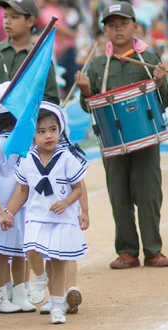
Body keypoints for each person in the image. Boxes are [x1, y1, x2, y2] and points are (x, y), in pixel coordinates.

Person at [76, 1, 168, 269]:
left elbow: (163, 101)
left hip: (146, 139)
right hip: (112, 144)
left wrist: (161, 82)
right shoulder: (96, 66)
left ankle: (153, 250)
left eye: (124, 24)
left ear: (135, 26)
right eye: (112, 25)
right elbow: (89, 106)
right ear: (105, 30)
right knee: (119, 195)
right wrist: (84, 92)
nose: (118, 30)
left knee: (149, 195)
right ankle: (127, 251)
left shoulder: (149, 59)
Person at [0, 105, 87, 324]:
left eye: (53, 129)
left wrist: (67, 203)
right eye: (41, 131)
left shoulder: (67, 158)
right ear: (32, 135)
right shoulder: (28, 160)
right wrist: (8, 212)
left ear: (60, 131)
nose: (48, 135)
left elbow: (78, 188)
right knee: (30, 248)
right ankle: (39, 277)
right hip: (36, 216)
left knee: (57, 261)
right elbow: (22, 190)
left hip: (61, 218)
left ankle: (57, 306)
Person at [0, 83, 36, 313]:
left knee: (21, 250)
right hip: (4, 207)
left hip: (21, 205)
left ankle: (20, 293)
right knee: (2, 251)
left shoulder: (20, 138)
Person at [0, 0, 60, 104]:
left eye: (14, 17)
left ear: (30, 21)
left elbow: (50, 99)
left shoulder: (40, 58)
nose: (7, 21)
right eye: (5, 16)